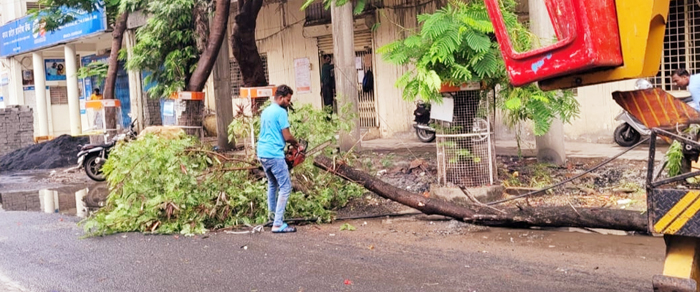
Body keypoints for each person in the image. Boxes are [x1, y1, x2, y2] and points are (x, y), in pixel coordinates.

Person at [258, 84, 301, 233]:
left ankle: (272, 218)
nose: (289, 103)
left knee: (272, 184)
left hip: (262, 153)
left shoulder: (266, 111)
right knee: (286, 187)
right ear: (281, 98)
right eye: (288, 100)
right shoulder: (281, 112)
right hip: (274, 154)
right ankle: (277, 224)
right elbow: (287, 136)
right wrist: (297, 145)